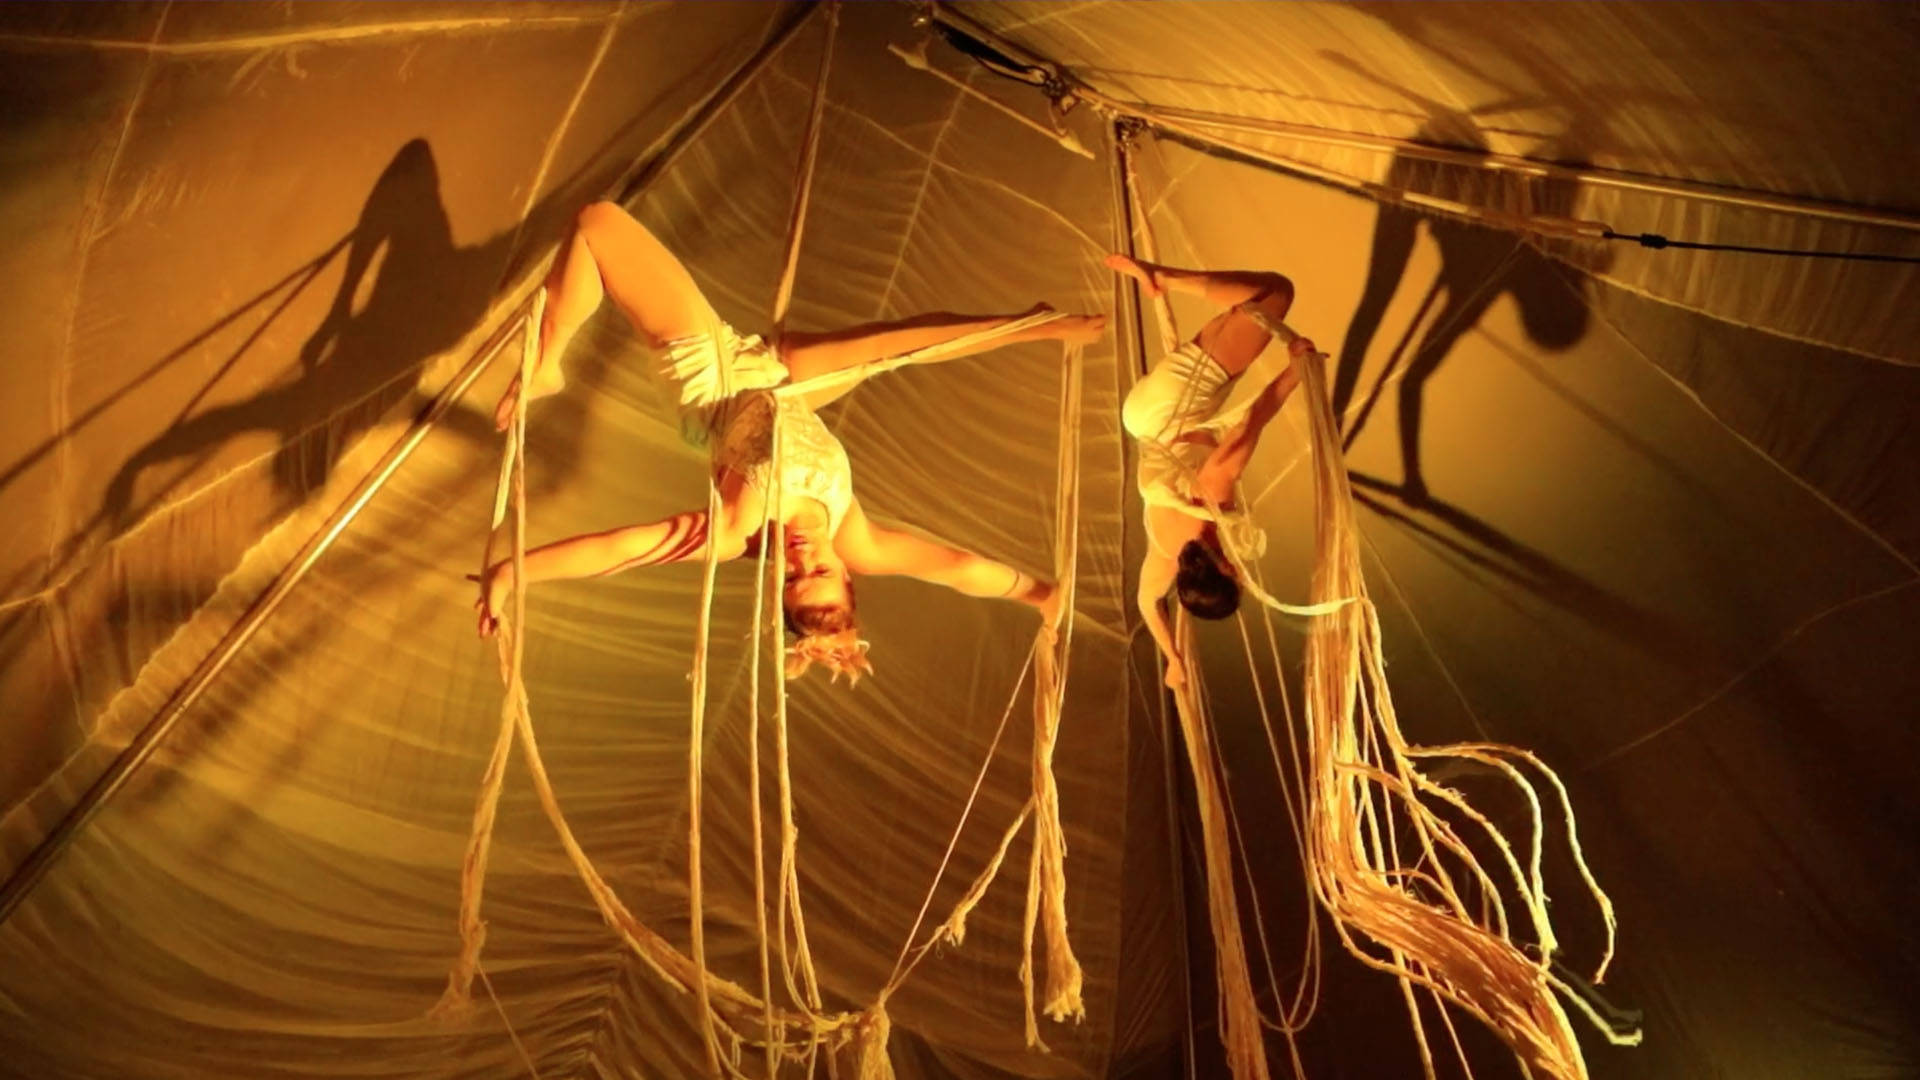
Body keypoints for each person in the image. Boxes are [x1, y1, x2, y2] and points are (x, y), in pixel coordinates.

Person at [476, 201, 1105, 681]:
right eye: (823, 570)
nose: (806, 556)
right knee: (902, 346)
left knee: (598, 223)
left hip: (715, 381)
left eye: (794, 576)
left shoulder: (737, 528)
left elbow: (623, 549)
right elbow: (960, 570)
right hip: (781, 384)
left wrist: (512, 574)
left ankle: (548, 364)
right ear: (849, 574)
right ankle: (1037, 326)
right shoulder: (855, 535)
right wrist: (1039, 595)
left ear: (777, 583)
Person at [1105, 253, 1317, 688]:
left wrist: (1293, 374)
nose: (1243, 573)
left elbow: (1247, 429)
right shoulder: (1167, 558)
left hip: (1177, 405)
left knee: (1275, 294)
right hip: (1159, 419)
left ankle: (1161, 277)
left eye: (1237, 580)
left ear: (1229, 572)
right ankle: (1161, 277)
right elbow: (1147, 603)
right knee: (1249, 309)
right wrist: (1173, 659)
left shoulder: (1210, 509)